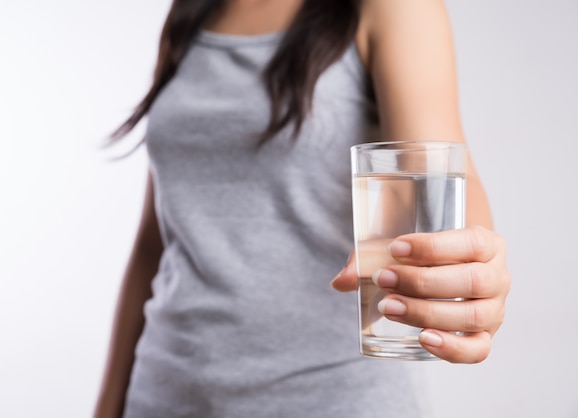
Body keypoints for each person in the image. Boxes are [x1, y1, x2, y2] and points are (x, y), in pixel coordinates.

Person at [94, 0, 511, 416]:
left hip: (335, 398)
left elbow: (439, 170)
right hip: (164, 394)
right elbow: (156, 243)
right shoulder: (189, 11)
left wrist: (470, 268)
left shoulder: (389, 7)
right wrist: (109, 405)